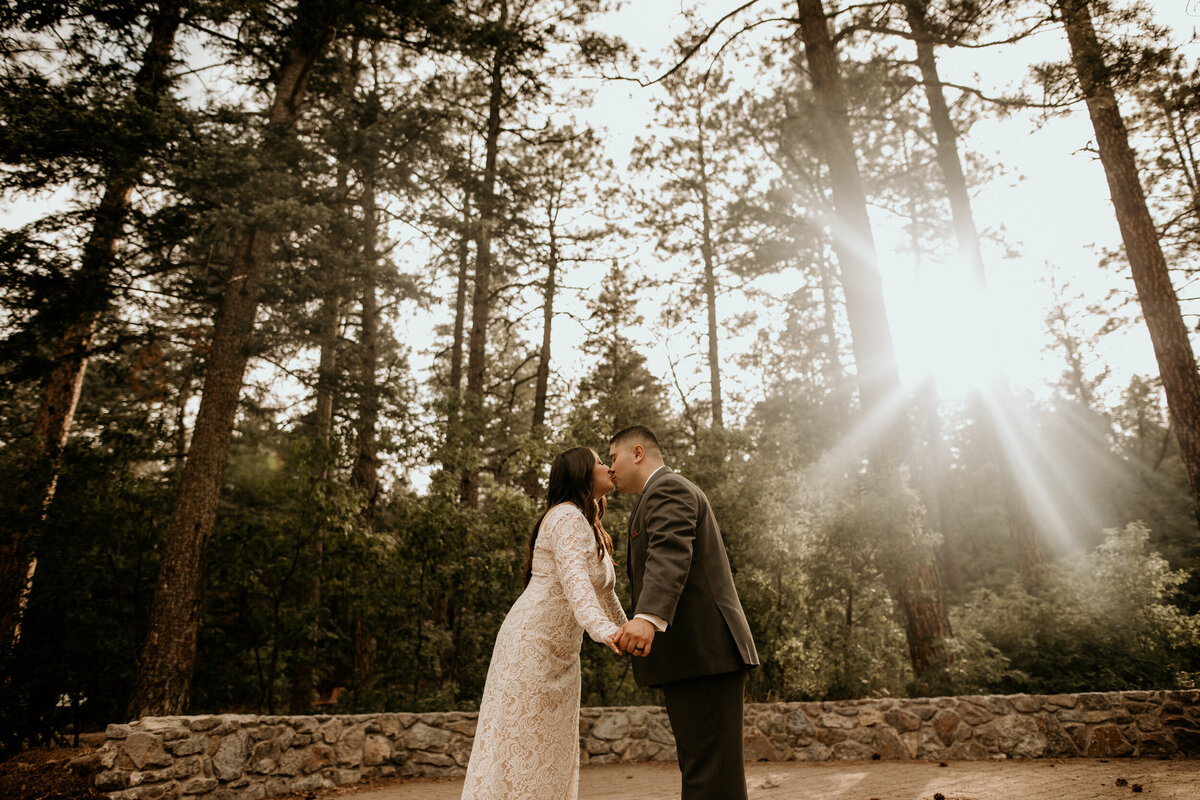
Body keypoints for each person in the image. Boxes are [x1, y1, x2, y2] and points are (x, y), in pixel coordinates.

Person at [460, 447, 626, 800]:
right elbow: (575, 582)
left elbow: (605, 595)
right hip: (530, 648)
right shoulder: (565, 517)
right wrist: (605, 632)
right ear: (582, 473)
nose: (608, 467)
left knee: (551, 751)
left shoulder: (589, 525)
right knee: (523, 748)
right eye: (600, 462)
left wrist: (629, 633)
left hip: (564, 657)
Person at [608, 425, 759, 800]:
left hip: (704, 655)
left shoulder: (668, 489)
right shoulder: (657, 494)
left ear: (638, 453)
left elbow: (670, 552)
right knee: (706, 771)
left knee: (709, 776)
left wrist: (647, 617)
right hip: (698, 658)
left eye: (613, 458)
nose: (610, 469)